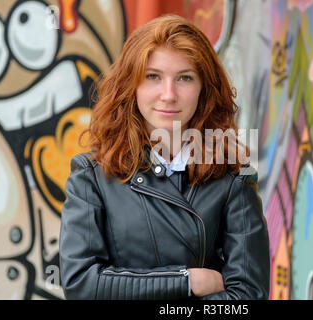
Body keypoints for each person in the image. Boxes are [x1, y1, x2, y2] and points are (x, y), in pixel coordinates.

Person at [59, 14, 270, 300]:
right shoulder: (92, 174)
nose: (168, 95)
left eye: (184, 78)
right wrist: (185, 281)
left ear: (203, 89)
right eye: (153, 77)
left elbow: (247, 295)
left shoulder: (232, 176)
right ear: (131, 86)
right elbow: (81, 285)